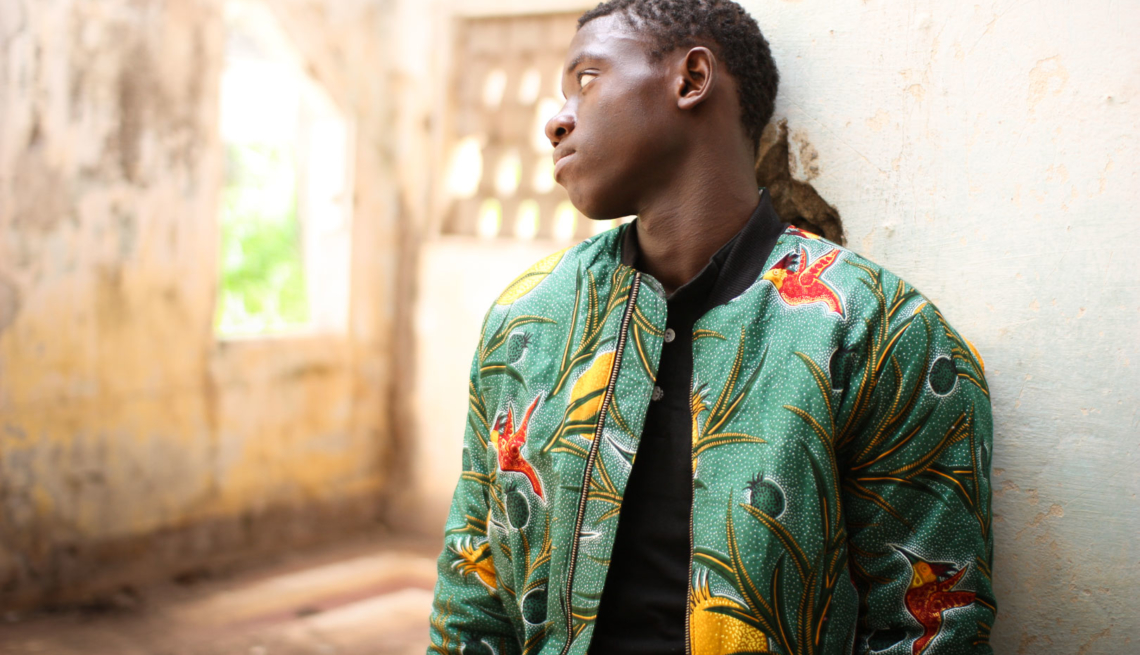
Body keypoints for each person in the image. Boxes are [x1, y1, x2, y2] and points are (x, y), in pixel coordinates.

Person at [427, 1, 996, 653]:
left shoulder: (878, 331)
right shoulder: (526, 317)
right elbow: (472, 594)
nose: (557, 120)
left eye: (586, 80)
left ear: (691, 79)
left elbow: (932, 629)